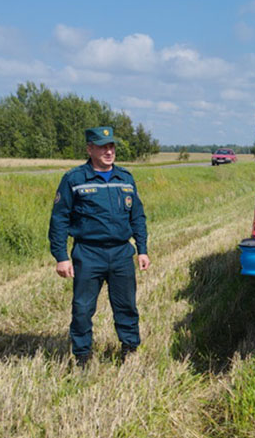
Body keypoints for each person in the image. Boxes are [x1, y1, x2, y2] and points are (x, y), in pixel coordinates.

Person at [48, 126, 150, 367]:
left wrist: (142, 249)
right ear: (89, 149)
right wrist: (61, 257)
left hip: (121, 253)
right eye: (103, 146)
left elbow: (138, 216)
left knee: (126, 306)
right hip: (88, 254)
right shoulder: (74, 179)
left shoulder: (125, 178)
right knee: (82, 309)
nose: (109, 151)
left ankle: (130, 349)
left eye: (111, 146)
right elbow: (59, 219)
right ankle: (82, 356)